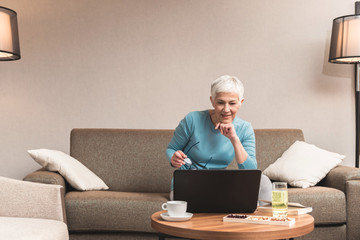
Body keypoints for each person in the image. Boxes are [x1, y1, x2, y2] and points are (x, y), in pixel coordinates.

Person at [166, 75, 272, 203]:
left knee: (263, 181)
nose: (226, 109)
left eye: (232, 103)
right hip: (189, 182)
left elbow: (250, 172)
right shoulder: (192, 120)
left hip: (220, 184)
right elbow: (172, 149)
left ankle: (260, 221)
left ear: (241, 102)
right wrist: (173, 158)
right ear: (212, 101)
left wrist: (234, 139)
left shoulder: (245, 128)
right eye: (220, 102)